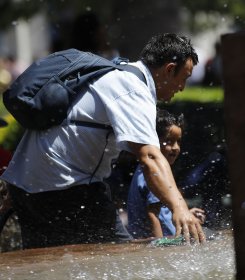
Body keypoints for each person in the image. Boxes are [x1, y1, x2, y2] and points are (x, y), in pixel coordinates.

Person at [1, 33, 205, 249]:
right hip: (63, 186)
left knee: (48, 263)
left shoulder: (116, 75)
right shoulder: (132, 88)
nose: (182, 87)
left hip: (28, 185)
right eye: (184, 77)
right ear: (169, 69)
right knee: (118, 259)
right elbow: (150, 157)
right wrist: (179, 207)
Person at [127, 109, 205, 239]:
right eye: (169, 141)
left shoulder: (144, 169)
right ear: (153, 141)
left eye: (178, 141)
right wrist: (160, 249)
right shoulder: (154, 173)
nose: (175, 147)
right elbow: (152, 215)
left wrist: (187, 214)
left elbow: (161, 211)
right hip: (157, 242)